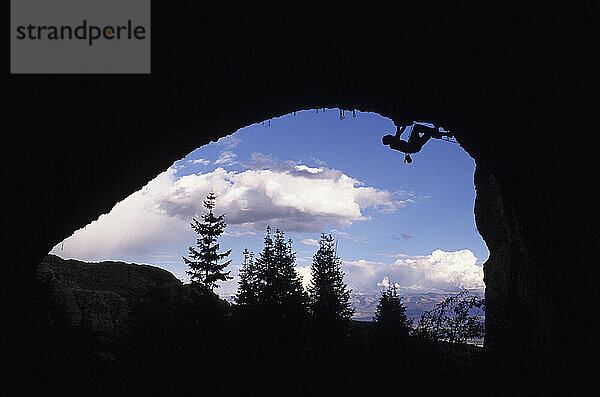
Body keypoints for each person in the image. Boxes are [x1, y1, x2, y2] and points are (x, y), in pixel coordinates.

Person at [382, 123, 446, 162]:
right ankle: (435, 132)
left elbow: (399, 132)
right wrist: (403, 124)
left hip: (414, 147)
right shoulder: (393, 144)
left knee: (428, 133)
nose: (389, 134)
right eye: (388, 136)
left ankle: (439, 133)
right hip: (413, 146)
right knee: (416, 127)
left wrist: (404, 124)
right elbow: (399, 132)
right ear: (388, 140)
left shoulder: (393, 142)